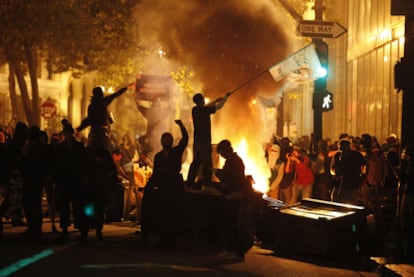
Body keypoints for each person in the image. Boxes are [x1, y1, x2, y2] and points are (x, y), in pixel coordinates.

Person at [141, 119, 188, 247]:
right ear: (162, 142)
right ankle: (162, 238)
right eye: (164, 139)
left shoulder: (176, 152)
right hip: (163, 188)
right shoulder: (158, 156)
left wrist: (181, 126)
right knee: (161, 214)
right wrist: (150, 186)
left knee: (172, 214)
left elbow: (185, 140)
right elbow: (156, 173)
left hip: (174, 188)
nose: (166, 141)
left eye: (168, 139)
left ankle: (170, 238)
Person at [214, 139, 248, 262]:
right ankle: (229, 250)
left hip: (234, 196)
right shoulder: (234, 160)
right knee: (228, 224)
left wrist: (218, 174)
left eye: (221, 153)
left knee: (232, 225)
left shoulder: (233, 162)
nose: (221, 156)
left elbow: (230, 178)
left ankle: (238, 253)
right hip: (233, 195)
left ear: (225, 150)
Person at [186, 92, 230, 188]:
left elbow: (207, 106)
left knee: (196, 163)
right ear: (201, 100)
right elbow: (219, 107)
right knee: (207, 164)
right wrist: (225, 98)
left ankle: (189, 182)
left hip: (197, 141)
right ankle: (207, 184)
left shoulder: (195, 110)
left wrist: (216, 100)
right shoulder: (204, 110)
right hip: (205, 141)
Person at [52, 119, 85, 241]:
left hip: (76, 180)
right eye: (65, 134)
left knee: (78, 206)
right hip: (63, 181)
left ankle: (82, 230)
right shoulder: (60, 148)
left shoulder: (79, 147)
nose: (67, 136)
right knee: (64, 207)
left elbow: (83, 163)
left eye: (68, 134)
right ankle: (65, 229)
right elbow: (55, 165)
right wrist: (55, 180)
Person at [76, 83, 134, 148]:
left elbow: (89, 119)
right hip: (103, 131)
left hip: (94, 130)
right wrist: (126, 88)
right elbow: (115, 94)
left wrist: (80, 128)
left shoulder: (91, 106)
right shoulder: (104, 102)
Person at [330, 138, 367, 205]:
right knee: (336, 202)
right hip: (339, 185)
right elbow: (332, 169)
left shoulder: (356, 155)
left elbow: (365, 165)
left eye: (344, 146)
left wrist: (363, 178)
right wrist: (336, 172)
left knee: (351, 204)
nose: (341, 148)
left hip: (352, 185)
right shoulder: (337, 155)